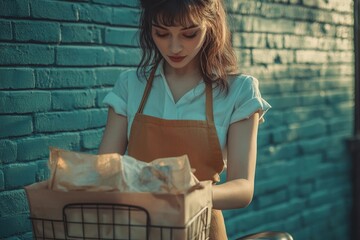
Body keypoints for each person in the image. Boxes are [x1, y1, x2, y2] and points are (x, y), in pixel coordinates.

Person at [99, 0, 271, 239]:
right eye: (161, 33)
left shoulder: (239, 90)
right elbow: (104, 171)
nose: (174, 47)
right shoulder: (130, 85)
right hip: (134, 229)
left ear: (210, 25)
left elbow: (243, 188)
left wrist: (191, 193)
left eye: (189, 34)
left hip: (201, 229)